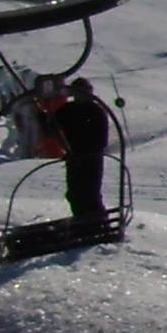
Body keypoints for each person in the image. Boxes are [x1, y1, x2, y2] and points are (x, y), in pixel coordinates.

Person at [55, 76, 113, 230]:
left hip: (91, 158)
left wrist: (86, 153)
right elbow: (52, 124)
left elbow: (101, 139)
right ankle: (82, 221)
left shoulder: (96, 111)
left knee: (90, 192)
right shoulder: (67, 110)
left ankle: (98, 224)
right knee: (74, 193)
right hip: (74, 157)